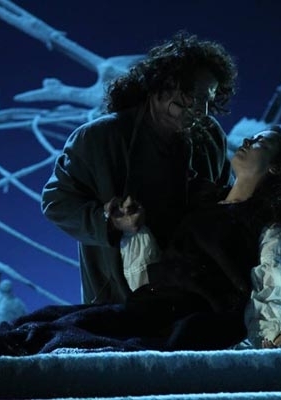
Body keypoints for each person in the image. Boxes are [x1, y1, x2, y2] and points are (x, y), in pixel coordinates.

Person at [0, 125, 281, 356]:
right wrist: (136, 230)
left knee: (80, 333)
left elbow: (275, 275)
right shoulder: (206, 202)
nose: (247, 140)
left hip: (197, 317)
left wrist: (276, 339)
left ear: (276, 167)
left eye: (262, 142)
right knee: (57, 315)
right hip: (156, 303)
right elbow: (163, 264)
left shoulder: (265, 222)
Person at [41, 31, 237, 307]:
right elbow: (57, 202)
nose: (202, 111)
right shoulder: (98, 138)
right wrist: (109, 220)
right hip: (120, 298)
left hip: (194, 293)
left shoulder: (209, 136)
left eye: (209, 99)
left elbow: (224, 202)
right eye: (191, 97)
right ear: (161, 87)